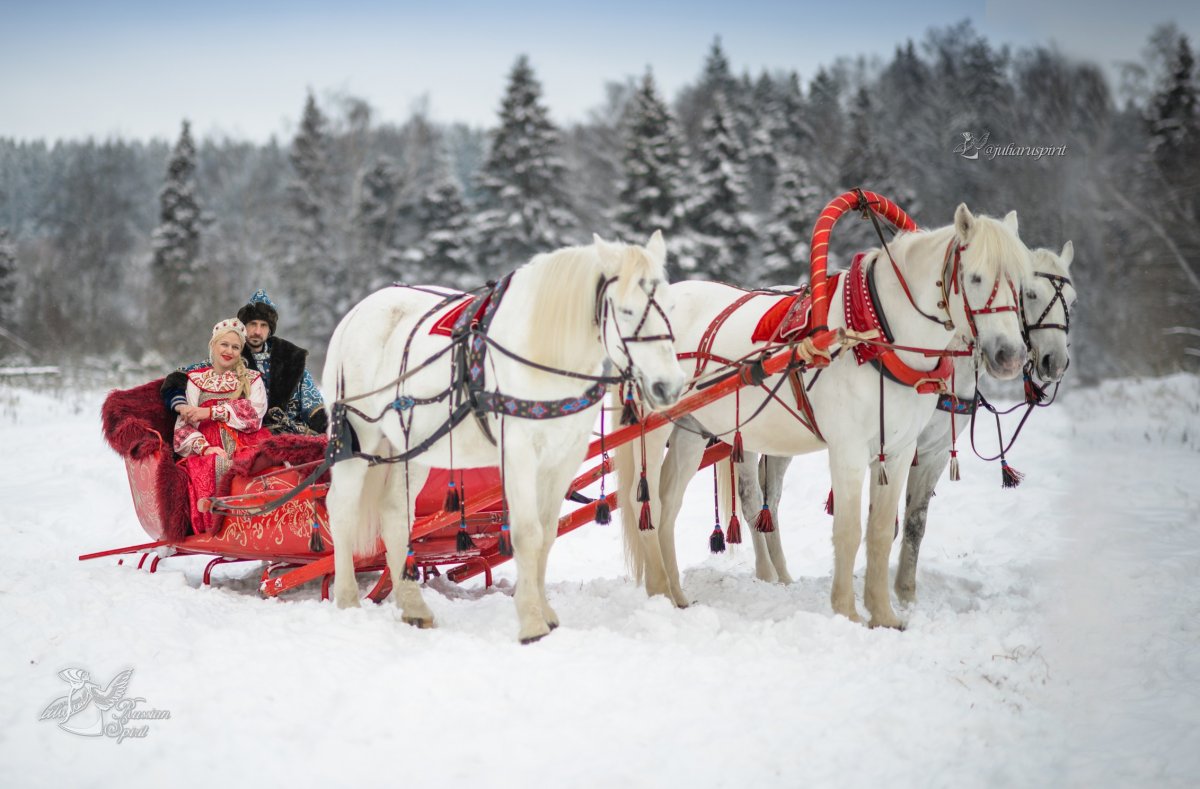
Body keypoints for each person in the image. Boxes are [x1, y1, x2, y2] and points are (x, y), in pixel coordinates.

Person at [161, 289, 327, 435]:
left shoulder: (291, 359)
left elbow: (313, 405)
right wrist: (180, 405)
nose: (257, 331)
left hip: (295, 433)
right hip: (250, 435)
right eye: (252, 324)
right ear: (243, 326)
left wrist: (328, 429)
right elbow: (180, 376)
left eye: (263, 325)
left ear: (270, 330)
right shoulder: (230, 354)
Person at [174, 318, 271, 533]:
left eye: (235, 347)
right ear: (213, 345)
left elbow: (255, 413)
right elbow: (184, 427)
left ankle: (260, 525)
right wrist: (205, 447)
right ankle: (221, 527)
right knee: (214, 464)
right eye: (224, 345)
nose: (229, 351)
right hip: (209, 443)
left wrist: (212, 412)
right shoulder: (197, 380)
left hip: (245, 438)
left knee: (256, 465)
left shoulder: (253, 379)